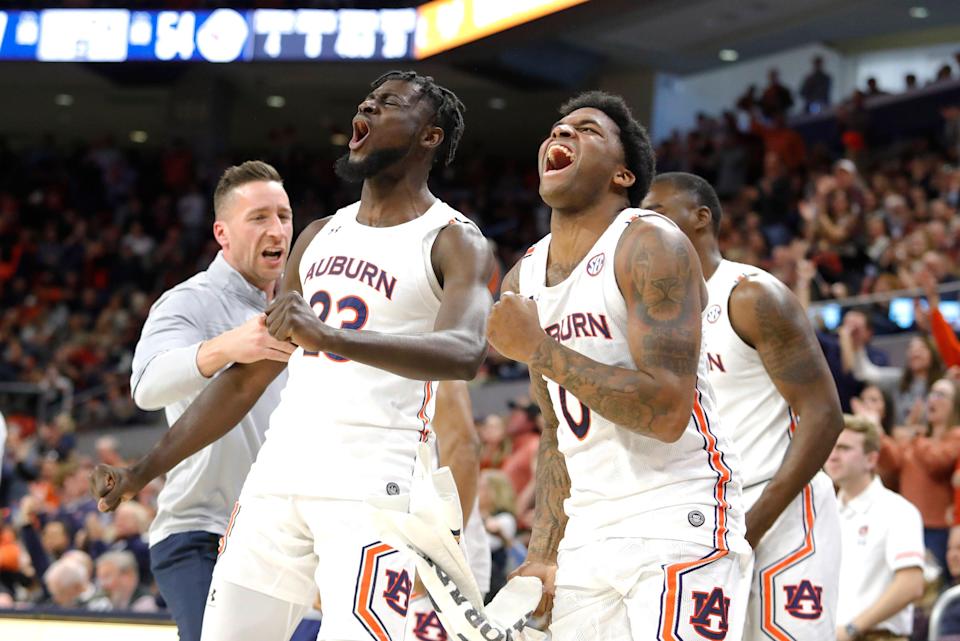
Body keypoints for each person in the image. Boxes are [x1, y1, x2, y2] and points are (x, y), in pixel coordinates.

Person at [92, 70, 493, 641]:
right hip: (277, 478)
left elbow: (465, 351)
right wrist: (142, 472)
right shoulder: (318, 235)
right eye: (368, 100)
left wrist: (330, 338)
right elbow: (245, 379)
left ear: (430, 136)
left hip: (374, 485)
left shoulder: (454, 238)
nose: (368, 106)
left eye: (389, 103)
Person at [486, 91, 749, 640]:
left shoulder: (650, 243)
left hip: (678, 516)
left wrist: (540, 349)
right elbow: (556, 431)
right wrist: (542, 553)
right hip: (587, 531)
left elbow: (668, 412)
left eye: (586, 130)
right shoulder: (523, 279)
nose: (562, 134)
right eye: (558, 128)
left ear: (623, 175)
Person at [644, 172, 844, 640]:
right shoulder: (652, 317)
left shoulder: (751, 295)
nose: (641, 225)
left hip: (782, 507)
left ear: (701, 217)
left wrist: (753, 523)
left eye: (655, 212)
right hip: (707, 516)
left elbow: (824, 415)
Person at [125, 159, 295, 641]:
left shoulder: (300, 308)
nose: (277, 228)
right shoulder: (189, 301)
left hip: (279, 537)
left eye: (283, 216)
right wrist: (222, 349)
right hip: (201, 530)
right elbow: (146, 386)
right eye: (259, 217)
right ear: (222, 233)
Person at [826, 415, 925, 641]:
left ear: (871, 460)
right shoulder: (824, 512)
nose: (833, 455)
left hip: (877, 636)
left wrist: (852, 629)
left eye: (844, 448)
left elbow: (911, 584)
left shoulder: (897, 510)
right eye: (831, 447)